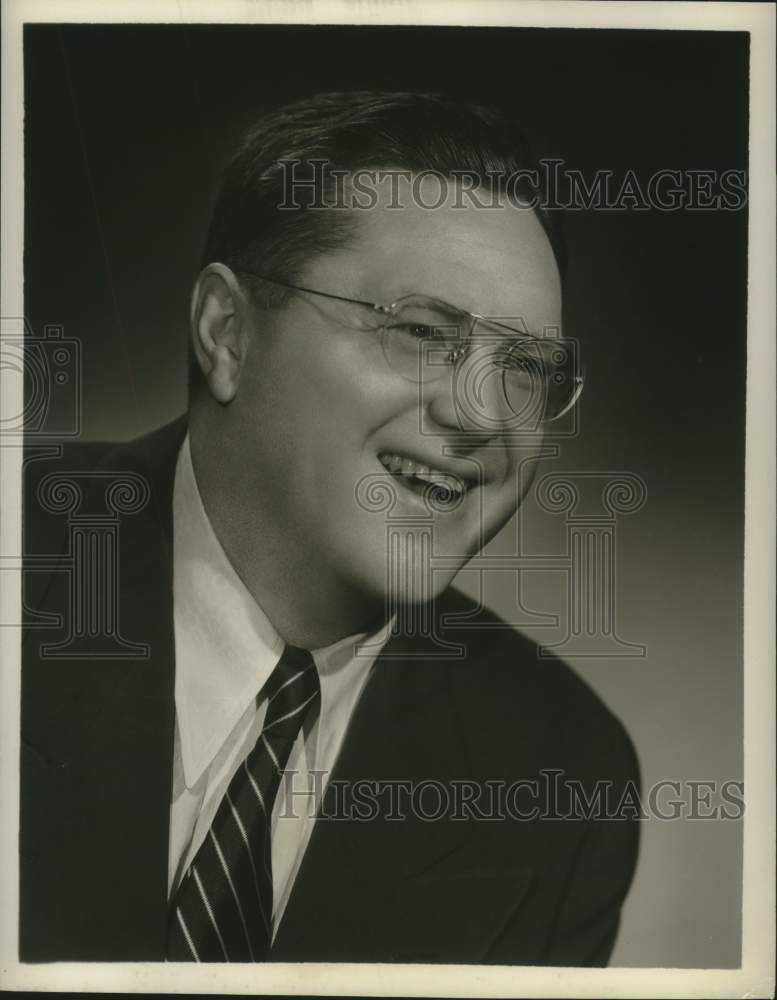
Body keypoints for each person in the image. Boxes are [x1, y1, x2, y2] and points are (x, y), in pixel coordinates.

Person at [20, 91, 640, 965]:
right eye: (424, 331)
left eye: (528, 367)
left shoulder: (560, 773)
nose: (481, 415)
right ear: (227, 333)